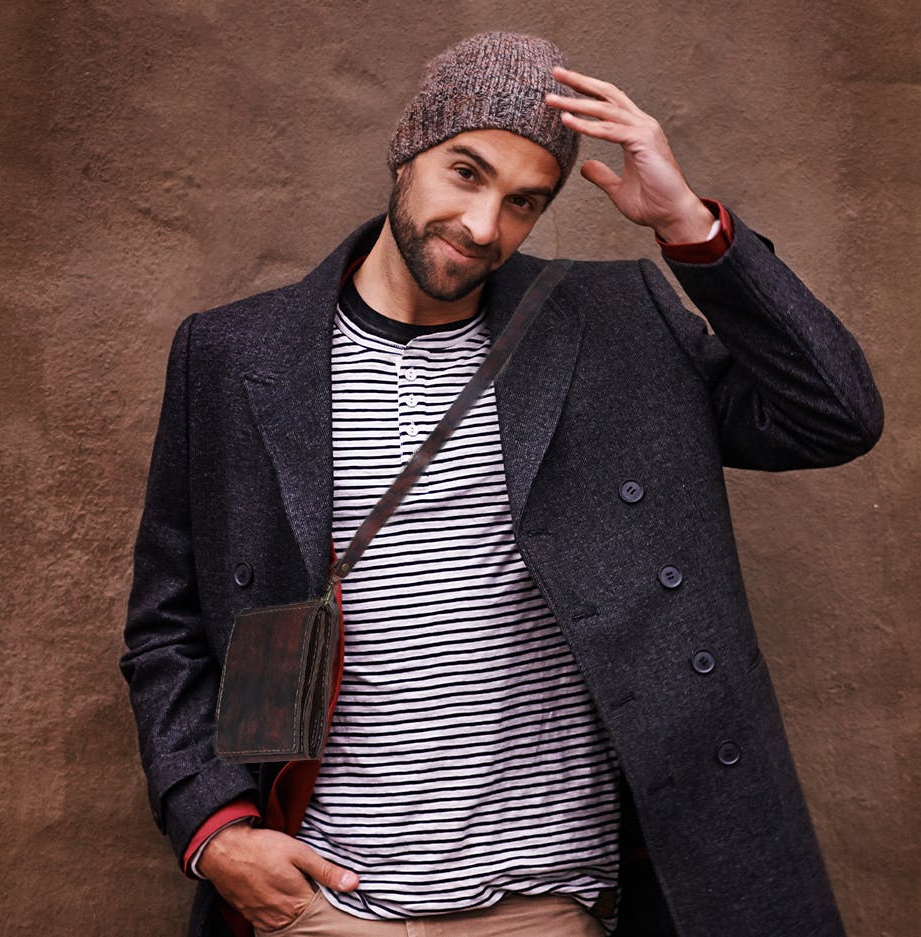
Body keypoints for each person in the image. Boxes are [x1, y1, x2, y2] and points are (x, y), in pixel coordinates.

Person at [121, 31, 882, 937]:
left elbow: (832, 415)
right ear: (406, 148)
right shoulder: (233, 353)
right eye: (465, 173)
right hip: (319, 899)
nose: (483, 227)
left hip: (541, 907)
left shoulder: (613, 324)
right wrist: (214, 829)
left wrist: (687, 225)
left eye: (524, 201)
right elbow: (168, 621)